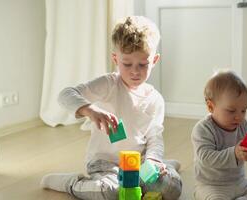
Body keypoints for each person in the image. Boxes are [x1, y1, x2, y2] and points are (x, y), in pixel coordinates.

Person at [40, 16, 182, 200]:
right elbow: (65, 95)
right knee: (110, 192)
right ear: (116, 59)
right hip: (104, 163)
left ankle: (164, 164)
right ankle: (71, 183)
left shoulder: (155, 99)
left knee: (171, 190)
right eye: (127, 64)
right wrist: (90, 110)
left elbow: (155, 138)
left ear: (154, 60)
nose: (135, 71)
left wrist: (153, 160)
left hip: (138, 163)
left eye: (143, 64)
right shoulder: (109, 84)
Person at [191, 70, 247, 200]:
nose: (239, 117)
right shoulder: (202, 129)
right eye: (231, 111)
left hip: (239, 182)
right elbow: (206, 157)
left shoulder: (244, 125)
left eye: (243, 110)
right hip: (211, 186)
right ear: (211, 107)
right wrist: (235, 153)